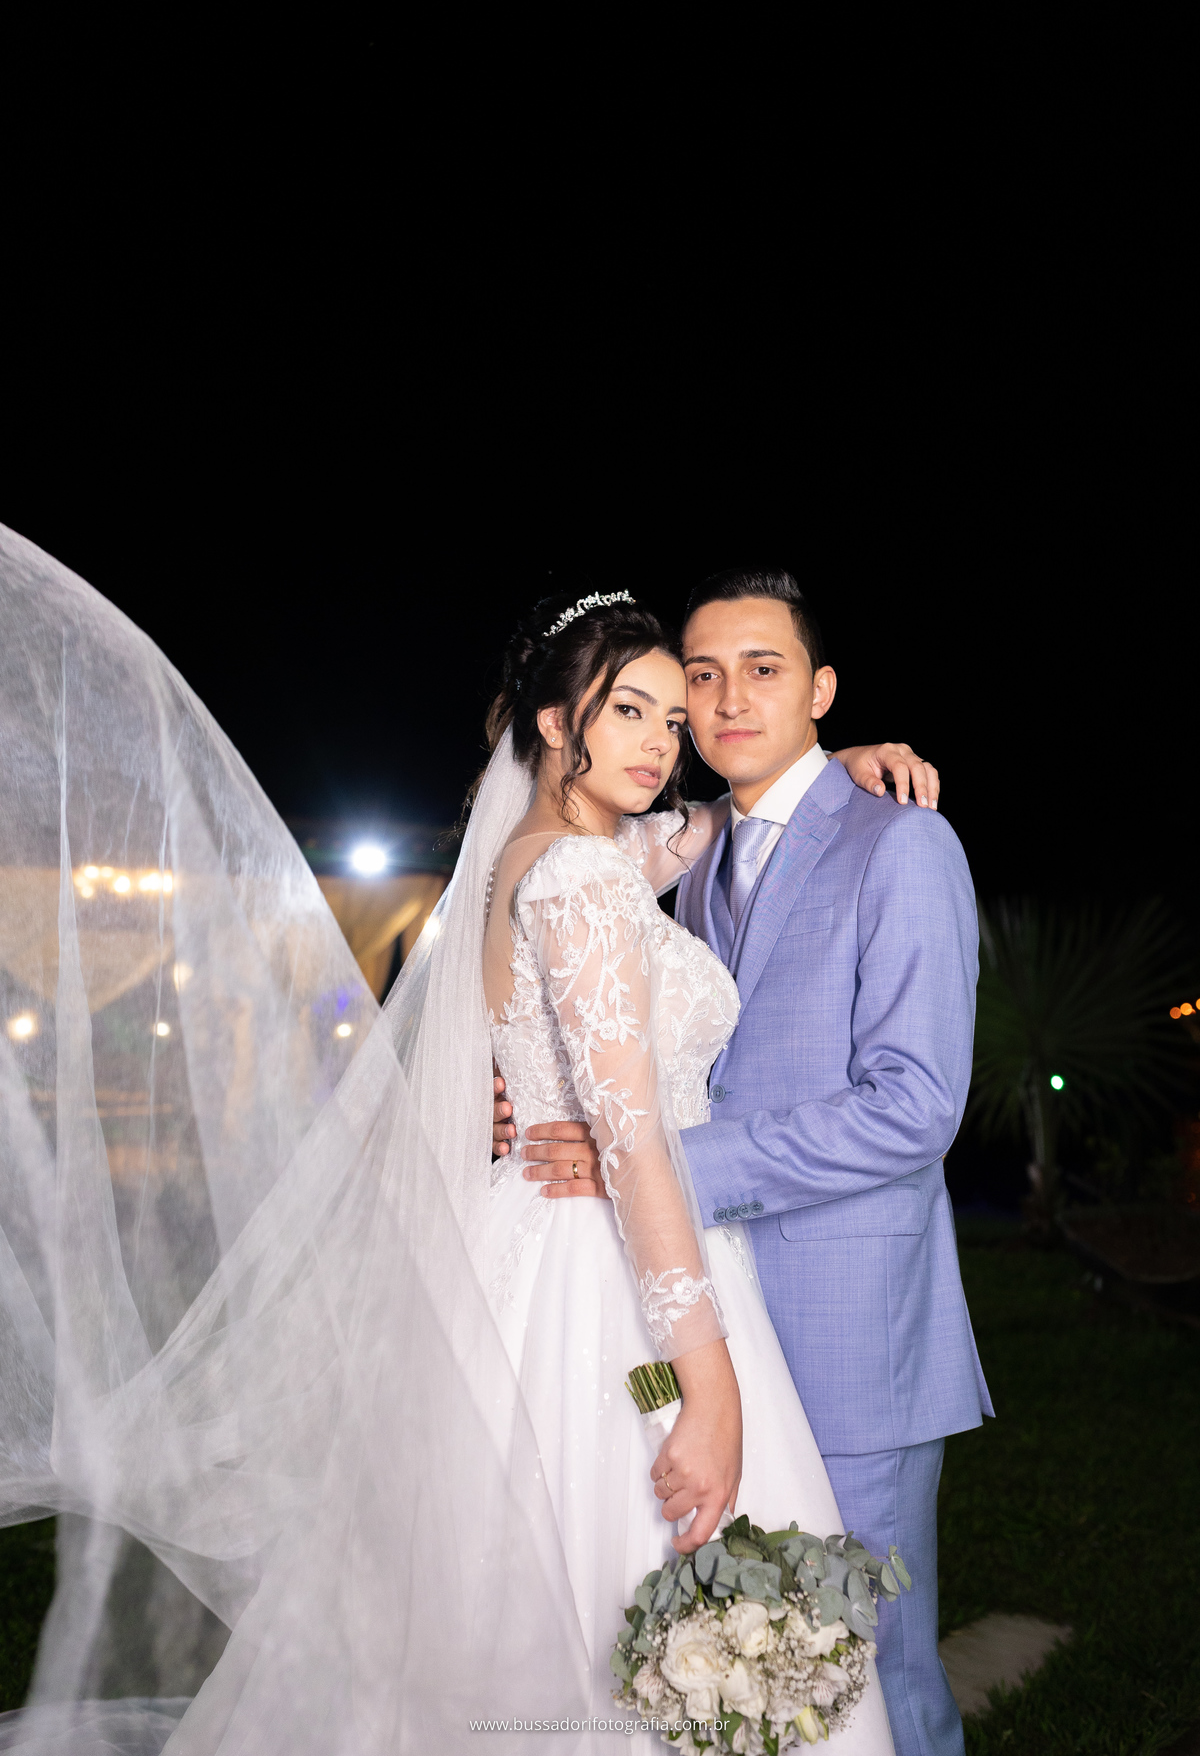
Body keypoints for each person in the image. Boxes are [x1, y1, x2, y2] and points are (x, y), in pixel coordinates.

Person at [0, 530, 922, 1754]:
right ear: (554, 721)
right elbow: (634, 1144)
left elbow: (699, 830)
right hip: (615, 1274)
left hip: (532, 1243)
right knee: (634, 1576)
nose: (662, 739)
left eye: (670, 715)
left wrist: (820, 767)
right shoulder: (581, 882)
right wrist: (705, 1386)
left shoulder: (539, 861)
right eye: (629, 710)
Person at [497, 571, 990, 1756]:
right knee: (737, 1672)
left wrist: (666, 1163)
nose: (723, 702)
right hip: (690, 1318)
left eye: (762, 671)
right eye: (698, 681)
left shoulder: (903, 845)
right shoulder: (681, 855)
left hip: (849, 1331)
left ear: (820, 689)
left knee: (871, 1671)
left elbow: (916, 1109)